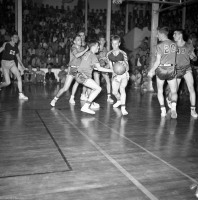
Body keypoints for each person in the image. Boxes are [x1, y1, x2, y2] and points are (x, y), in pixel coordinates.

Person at [75, 40, 113, 114]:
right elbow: (99, 68)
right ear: (93, 47)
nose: (98, 47)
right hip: (83, 76)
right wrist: (112, 70)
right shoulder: (93, 56)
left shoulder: (87, 53)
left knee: (93, 88)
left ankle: (90, 104)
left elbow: (92, 66)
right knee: (98, 89)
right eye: (97, 46)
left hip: (78, 75)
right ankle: (86, 106)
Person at [166, 29, 198, 118]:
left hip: (187, 69)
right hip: (176, 70)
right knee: (173, 91)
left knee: (192, 88)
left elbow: (195, 58)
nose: (173, 36)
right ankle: (170, 101)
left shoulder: (188, 45)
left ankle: (193, 110)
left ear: (180, 35)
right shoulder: (172, 45)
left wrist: (193, 57)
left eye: (175, 34)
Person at [148, 27, 178, 118]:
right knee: (174, 91)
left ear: (162, 34)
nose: (157, 36)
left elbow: (157, 61)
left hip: (161, 69)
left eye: (157, 34)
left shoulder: (159, 46)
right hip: (171, 69)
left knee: (160, 91)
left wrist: (151, 71)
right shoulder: (174, 44)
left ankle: (163, 111)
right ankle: (173, 109)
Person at [50, 35, 88, 107]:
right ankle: (54, 99)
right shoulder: (73, 47)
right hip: (72, 69)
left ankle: (79, 98)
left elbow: (85, 57)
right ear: (74, 41)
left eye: (80, 39)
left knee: (86, 83)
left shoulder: (83, 48)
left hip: (79, 70)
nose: (80, 41)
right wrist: (86, 50)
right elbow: (76, 55)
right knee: (65, 88)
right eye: (78, 39)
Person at [0, 31, 28, 100]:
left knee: (19, 76)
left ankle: (21, 94)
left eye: (18, 38)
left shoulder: (16, 47)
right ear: (12, 38)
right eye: (16, 37)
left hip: (12, 63)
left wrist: (22, 66)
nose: (17, 39)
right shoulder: (6, 44)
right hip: (5, 63)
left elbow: (18, 57)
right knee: (8, 82)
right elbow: (0, 49)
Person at [107, 35, 129, 115]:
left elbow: (128, 67)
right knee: (114, 92)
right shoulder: (109, 54)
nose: (114, 46)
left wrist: (124, 65)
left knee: (122, 88)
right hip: (115, 74)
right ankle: (119, 100)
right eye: (113, 44)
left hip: (123, 74)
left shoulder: (123, 53)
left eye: (116, 44)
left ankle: (123, 108)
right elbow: (110, 66)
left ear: (119, 43)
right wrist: (114, 74)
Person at [93, 35, 113, 103]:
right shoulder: (96, 48)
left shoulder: (105, 49)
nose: (103, 41)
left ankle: (109, 97)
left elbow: (108, 59)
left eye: (104, 40)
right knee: (97, 85)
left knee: (108, 81)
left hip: (103, 67)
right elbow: (93, 59)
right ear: (99, 41)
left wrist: (107, 65)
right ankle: (92, 99)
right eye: (101, 40)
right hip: (96, 68)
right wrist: (101, 59)